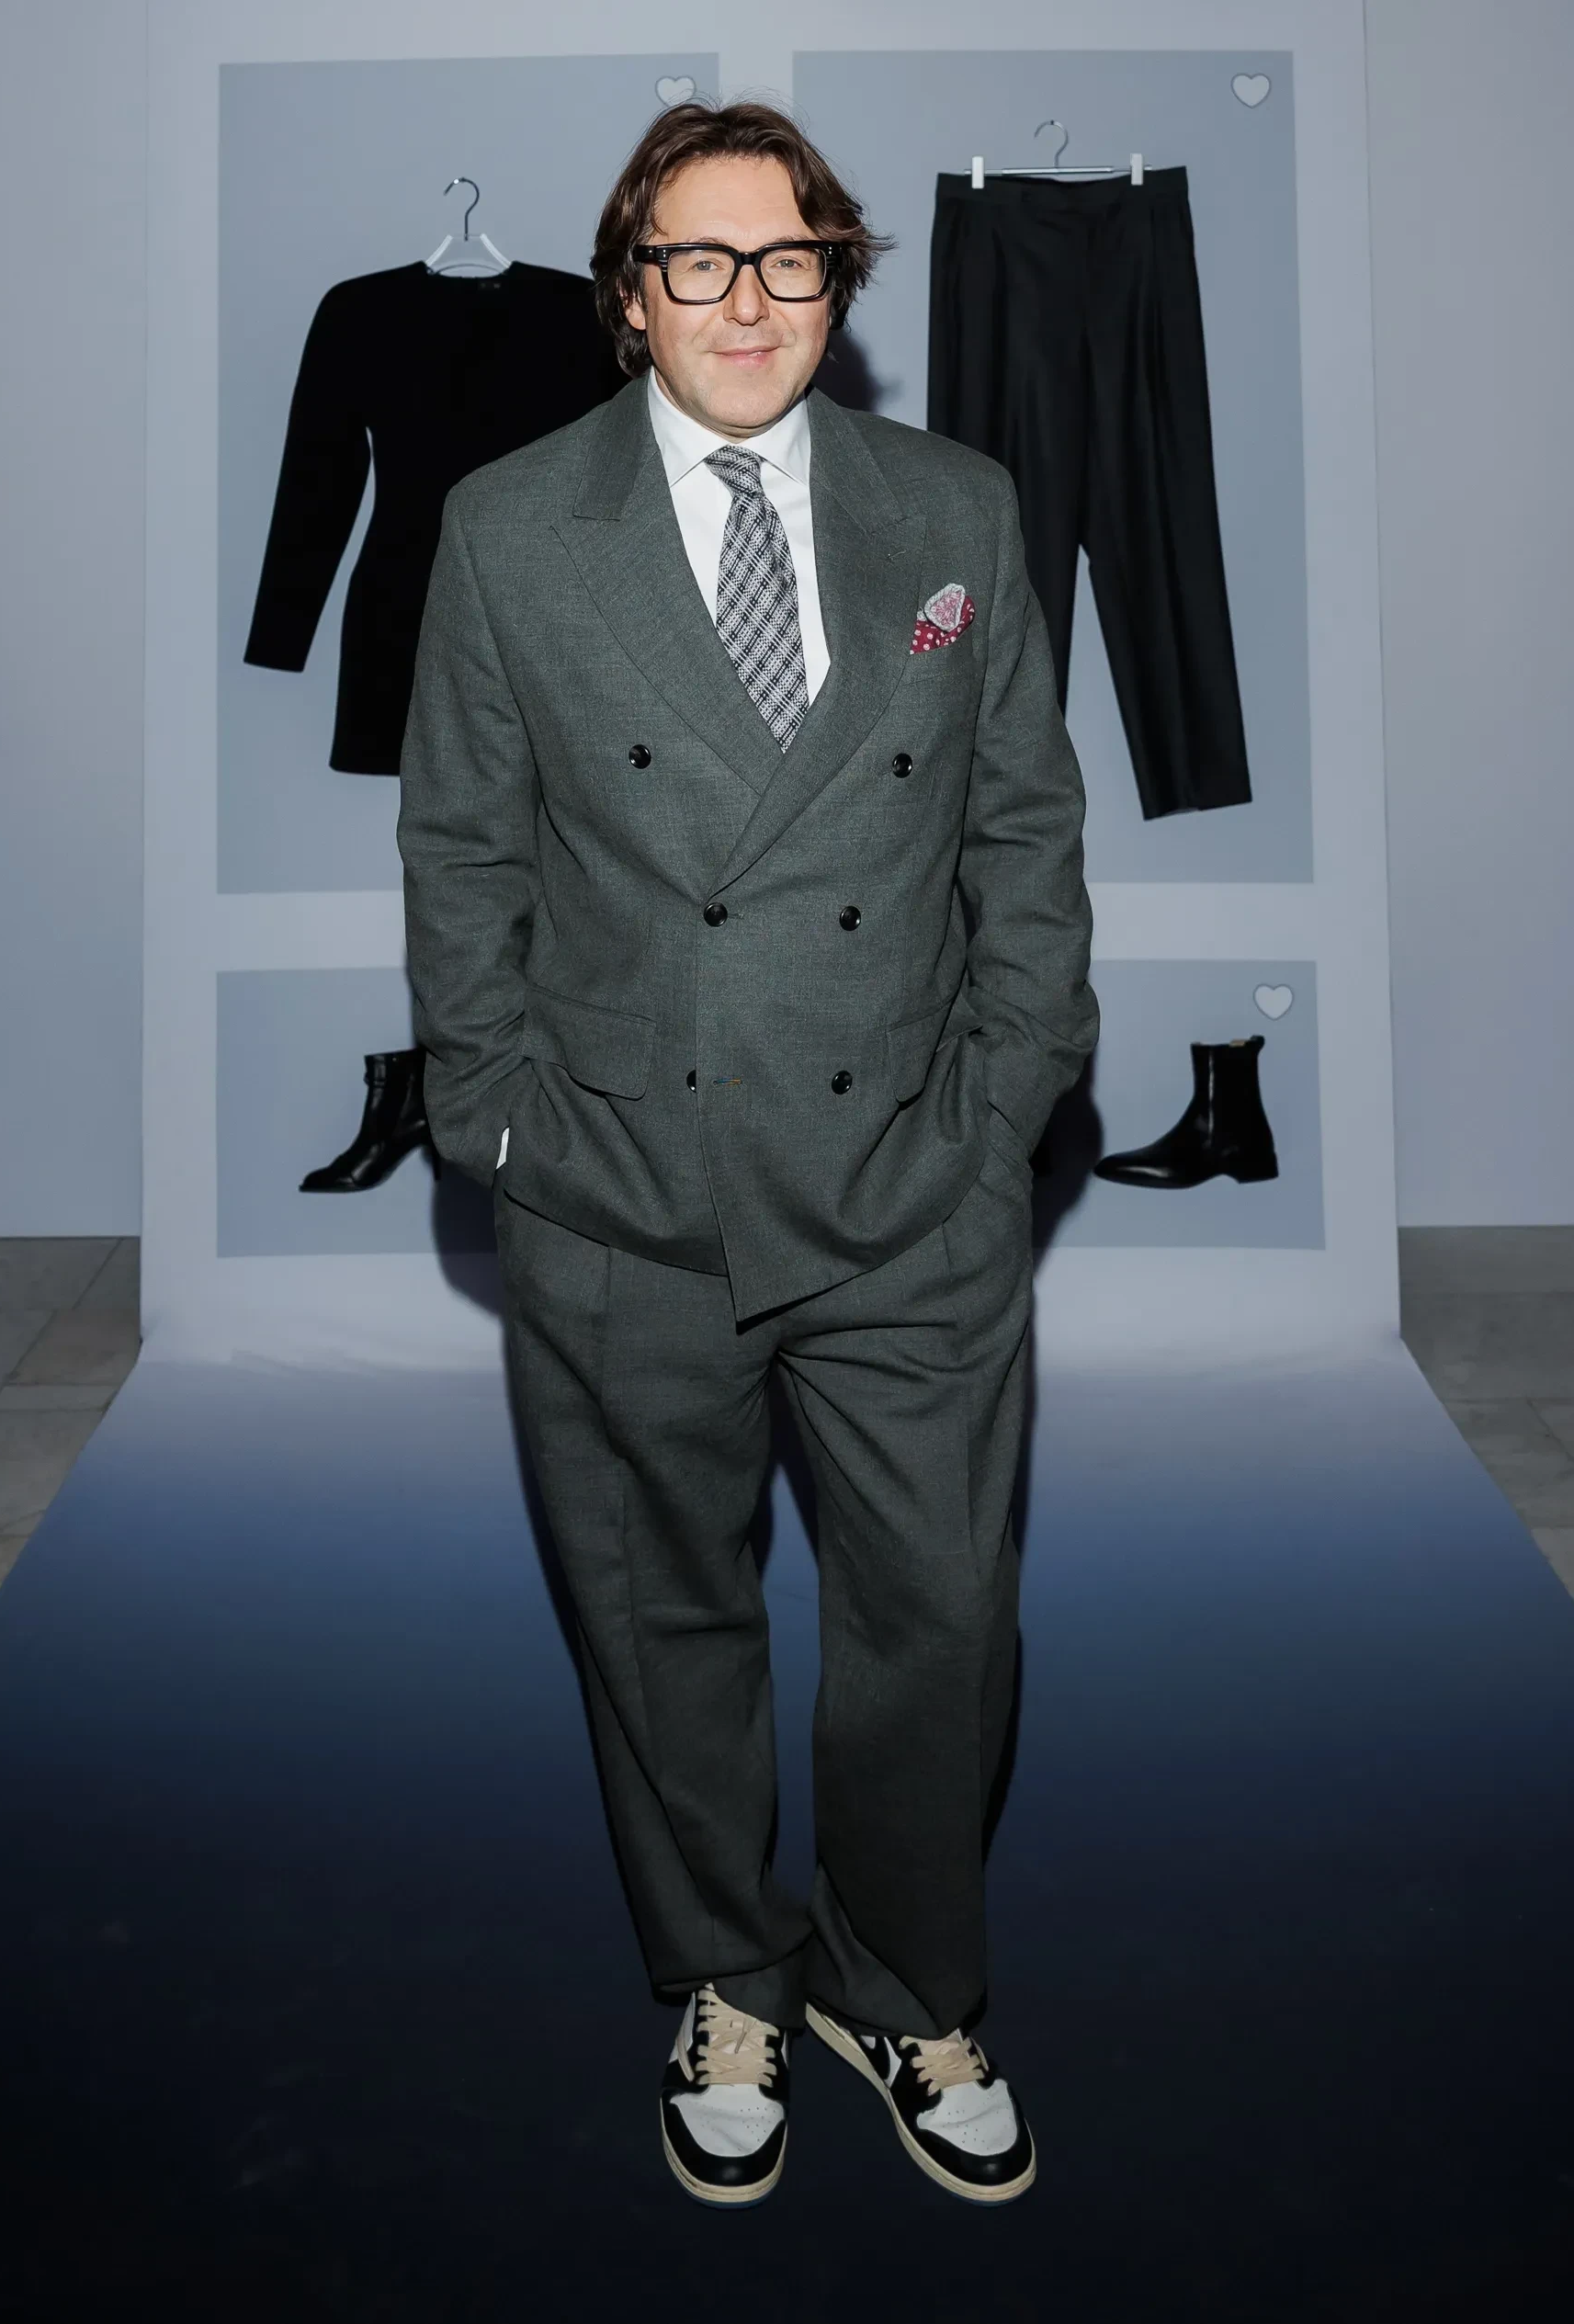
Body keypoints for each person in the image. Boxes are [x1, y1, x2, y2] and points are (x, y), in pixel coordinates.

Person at [398, 100, 1096, 2208]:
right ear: (630, 292)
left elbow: (1023, 833)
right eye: (695, 260)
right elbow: (462, 846)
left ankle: (908, 1983)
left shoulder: (950, 503)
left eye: (787, 259)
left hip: (908, 1186)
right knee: (660, 1620)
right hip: (625, 1185)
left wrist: (1007, 1102)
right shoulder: (511, 525)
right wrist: (499, 1114)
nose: (744, 300)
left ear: (835, 282)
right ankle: (724, 1971)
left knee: (942, 1622)